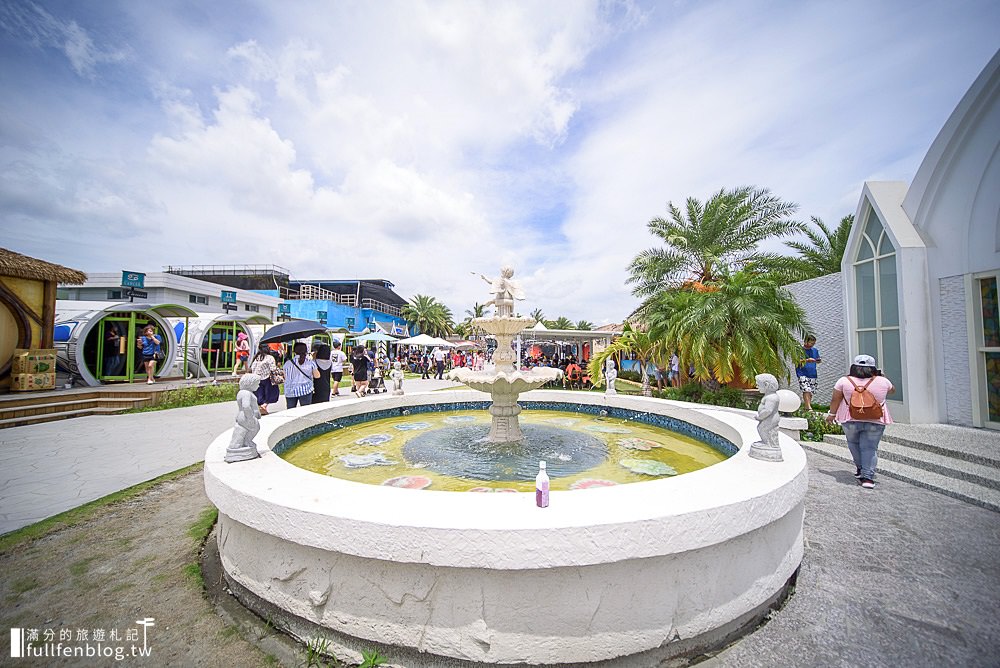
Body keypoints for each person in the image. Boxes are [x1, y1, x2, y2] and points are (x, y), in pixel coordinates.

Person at [825, 354, 895, 489]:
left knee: (853, 444)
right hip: (875, 420)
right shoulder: (882, 381)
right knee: (870, 448)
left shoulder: (844, 381)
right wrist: (883, 378)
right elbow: (892, 391)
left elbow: (835, 399)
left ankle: (860, 468)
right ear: (873, 368)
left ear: (854, 367)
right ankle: (867, 477)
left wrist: (832, 414)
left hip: (850, 419)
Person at [282, 341, 319, 409]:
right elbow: (317, 376)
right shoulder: (310, 363)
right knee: (305, 411)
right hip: (306, 389)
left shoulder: (287, 363)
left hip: (290, 390)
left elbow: (284, 377)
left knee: (291, 412)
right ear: (306, 351)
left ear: (294, 351)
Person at [249, 343, 279, 415]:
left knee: (260, 394)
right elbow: (273, 368)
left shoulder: (257, 357)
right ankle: (264, 406)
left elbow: (252, 368)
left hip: (256, 378)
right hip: (266, 378)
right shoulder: (269, 357)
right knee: (272, 393)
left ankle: (261, 407)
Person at [795, 335, 822, 411]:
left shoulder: (815, 350)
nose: (812, 345)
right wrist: (806, 360)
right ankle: (809, 407)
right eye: (811, 343)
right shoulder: (799, 350)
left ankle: (807, 407)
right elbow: (796, 360)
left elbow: (818, 359)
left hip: (812, 373)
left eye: (813, 343)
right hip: (802, 372)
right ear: (805, 342)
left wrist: (818, 360)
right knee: (806, 389)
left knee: (810, 391)